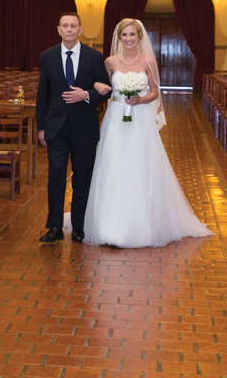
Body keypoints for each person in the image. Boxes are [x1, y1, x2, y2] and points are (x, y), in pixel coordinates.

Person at [82, 19, 212, 248]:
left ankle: (141, 222)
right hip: (116, 117)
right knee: (113, 164)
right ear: (119, 38)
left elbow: (155, 91)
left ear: (140, 37)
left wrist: (139, 99)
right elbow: (101, 86)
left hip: (140, 117)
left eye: (133, 35)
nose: (129, 39)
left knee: (140, 164)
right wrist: (98, 87)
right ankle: (108, 223)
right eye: (125, 35)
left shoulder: (147, 61)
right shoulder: (110, 62)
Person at [36, 12, 111, 243]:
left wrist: (85, 94)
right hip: (56, 127)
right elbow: (43, 94)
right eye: (65, 26)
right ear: (59, 29)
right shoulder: (47, 56)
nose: (69, 29)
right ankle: (55, 227)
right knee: (56, 177)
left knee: (82, 178)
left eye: (73, 26)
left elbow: (105, 90)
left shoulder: (94, 57)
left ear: (80, 30)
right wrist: (41, 128)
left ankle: (79, 226)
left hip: (85, 127)